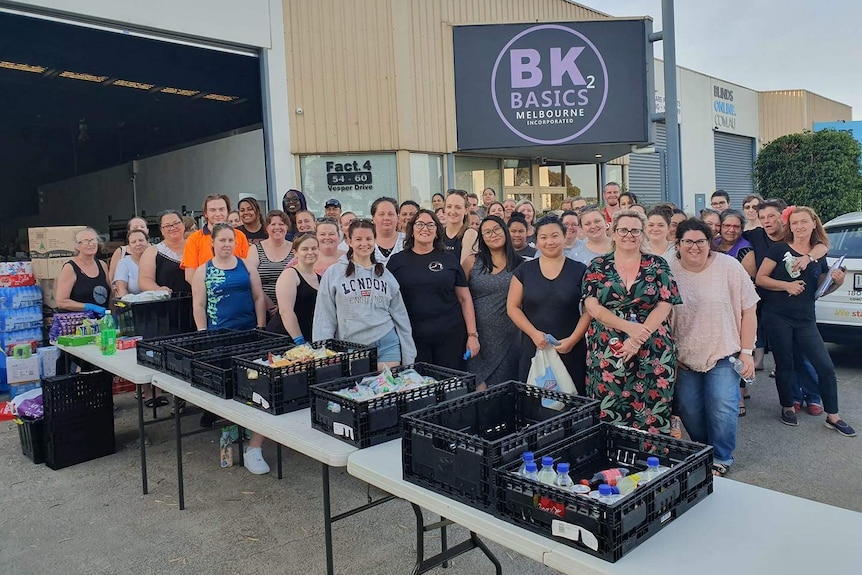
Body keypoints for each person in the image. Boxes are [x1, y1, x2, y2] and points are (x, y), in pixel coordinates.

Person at [670, 218, 759, 476]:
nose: (695, 247)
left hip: (723, 351)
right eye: (688, 241)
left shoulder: (729, 267)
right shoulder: (667, 269)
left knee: (722, 406)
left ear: (710, 243)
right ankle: (703, 449)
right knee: (689, 409)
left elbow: (749, 310)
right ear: (678, 243)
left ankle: (721, 456)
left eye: (701, 241)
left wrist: (747, 352)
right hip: (684, 356)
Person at [755, 206, 854, 436]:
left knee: (826, 367)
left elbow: (820, 288)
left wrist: (836, 282)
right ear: (789, 226)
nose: (799, 226)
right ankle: (787, 406)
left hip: (806, 318)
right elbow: (761, 278)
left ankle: (833, 416)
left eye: (804, 222)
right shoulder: (779, 249)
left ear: (813, 224)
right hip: (777, 316)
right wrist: (786, 285)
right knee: (785, 363)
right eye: (795, 222)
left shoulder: (819, 254)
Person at [583, 209, 682, 434]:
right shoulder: (597, 265)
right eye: (623, 229)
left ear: (643, 234)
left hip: (653, 347)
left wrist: (638, 338)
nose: (629, 235)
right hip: (608, 347)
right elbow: (592, 306)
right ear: (614, 233)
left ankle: (651, 463)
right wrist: (630, 329)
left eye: (635, 230)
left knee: (653, 408)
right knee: (609, 406)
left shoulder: (658, 265)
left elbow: (665, 303)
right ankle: (611, 462)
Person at [191, 223, 268, 473]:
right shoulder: (203, 270)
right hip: (219, 338)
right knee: (227, 389)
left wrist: (260, 326)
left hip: (248, 334)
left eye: (230, 240)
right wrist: (203, 335)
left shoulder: (246, 266)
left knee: (252, 386)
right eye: (222, 240)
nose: (226, 245)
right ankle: (231, 434)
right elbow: (199, 305)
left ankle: (252, 442)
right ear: (212, 242)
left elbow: (258, 297)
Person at [745, 199, 827, 394]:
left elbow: (822, 246)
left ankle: (812, 395)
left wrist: (809, 257)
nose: (766, 221)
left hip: (795, 306)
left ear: (783, 218)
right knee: (784, 357)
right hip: (765, 304)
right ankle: (793, 399)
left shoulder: (794, 237)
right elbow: (728, 235)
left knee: (801, 354)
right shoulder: (755, 235)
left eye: (771, 216)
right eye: (762, 217)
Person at [313, 219, 416, 369]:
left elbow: (401, 317)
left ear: (375, 240)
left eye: (369, 239)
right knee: (359, 390)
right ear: (349, 241)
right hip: (352, 346)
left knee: (388, 389)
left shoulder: (385, 275)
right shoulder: (334, 273)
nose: (364, 243)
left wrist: (409, 356)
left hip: (387, 343)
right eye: (358, 239)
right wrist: (322, 354)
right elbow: (324, 316)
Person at [507, 216, 591, 393]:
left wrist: (573, 340)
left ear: (564, 236)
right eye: (543, 237)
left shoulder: (580, 270)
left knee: (572, 403)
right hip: (534, 346)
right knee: (535, 403)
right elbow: (513, 307)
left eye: (554, 236)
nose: (549, 242)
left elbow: (588, 311)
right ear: (536, 241)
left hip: (570, 348)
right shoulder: (524, 270)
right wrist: (534, 334)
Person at [388, 210, 479, 369]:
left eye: (431, 224)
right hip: (413, 337)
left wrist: (472, 335)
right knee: (421, 388)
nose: (425, 228)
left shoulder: (449, 259)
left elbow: (464, 298)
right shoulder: (397, 261)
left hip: (451, 336)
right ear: (412, 230)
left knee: (452, 386)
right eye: (420, 224)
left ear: (437, 231)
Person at [462, 215, 522, 389]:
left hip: (510, 338)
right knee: (478, 391)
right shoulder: (472, 262)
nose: (493, 234)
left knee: (504, 392)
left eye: (496, 229)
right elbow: (460, 297)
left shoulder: (520, 264)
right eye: (487, 232)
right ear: (482, 238)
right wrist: (470, 334)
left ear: (505, 230)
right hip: (476, 337)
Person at [181, 194, 250, 286]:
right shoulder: (194, 239)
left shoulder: (240, 236)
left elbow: (248, 268)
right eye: (212, 210)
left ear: (228, 211)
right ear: (205, 213)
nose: (218, 214)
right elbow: (190, 275)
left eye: (221, 209)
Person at [269, 233, 319, 339]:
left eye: (314, 248)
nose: (310, 252)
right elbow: (285, 312)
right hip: (284, 337)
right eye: (305, 249)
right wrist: (299, 340)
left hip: (309, 335)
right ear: (295, 253)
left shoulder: (320, 278)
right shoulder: (290, 275)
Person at [245, 210, 293, 320]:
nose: (277, 227)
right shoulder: (255, 249)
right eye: (273, 224)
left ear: (287, 227)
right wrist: (270, 306)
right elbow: (251, 280)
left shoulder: (295, 248)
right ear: (267, 228)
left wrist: (282, 306)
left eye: (281, 224)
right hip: (262, 308)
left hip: (291, 307)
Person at [55, 227, 110, 314]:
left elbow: (110, 292)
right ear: (77, 246)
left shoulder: (102, 265)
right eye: (85, 241)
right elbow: (61, 302)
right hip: (79, 323)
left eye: (93, 240)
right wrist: (88, 307)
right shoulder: (70, 268)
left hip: (102, 321)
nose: (91, 244)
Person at [139, 210, 191, 295]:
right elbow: (145, 279)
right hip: (167, 302)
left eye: (176, 223)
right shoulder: (152, 251)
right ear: (161, 230)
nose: (173, 228)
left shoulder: (195, 246)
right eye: (167, 226)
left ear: (183, 225)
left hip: (197, 300)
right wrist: (158, 289)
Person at [715, 209, 756, 277]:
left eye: (736, 227)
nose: (731, 230)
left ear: (741, 229)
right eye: (727, 226)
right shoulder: (713, 243)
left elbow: (750, 283)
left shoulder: (746, 251)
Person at [442, 190, 479, 264]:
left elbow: (463, 268)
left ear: (466, 210)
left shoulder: (470, 234)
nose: (452, 211)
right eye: (449, 207)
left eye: (458, 207)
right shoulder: (438, 234)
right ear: (444, 209)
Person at [108, 216, 148, 283]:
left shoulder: (155, 249)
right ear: (129, 231)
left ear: (147, 230)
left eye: (142, 227)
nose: (139, 229)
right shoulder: (121, 251)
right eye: (135, 227)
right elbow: (111, 276)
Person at [113, 229, 149, 297]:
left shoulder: (157, 260)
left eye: (141, 240)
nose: (138, 244)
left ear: (147, 242)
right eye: (133, 242)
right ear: (129, 246)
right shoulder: (123, 263)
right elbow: (121, 289)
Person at [370, 197, 404, 265]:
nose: (386, 218)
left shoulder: (407, 241)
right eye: (381, 214)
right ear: (373, 218)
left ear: (397, 217)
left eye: (391, 214)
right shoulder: (366, 242)